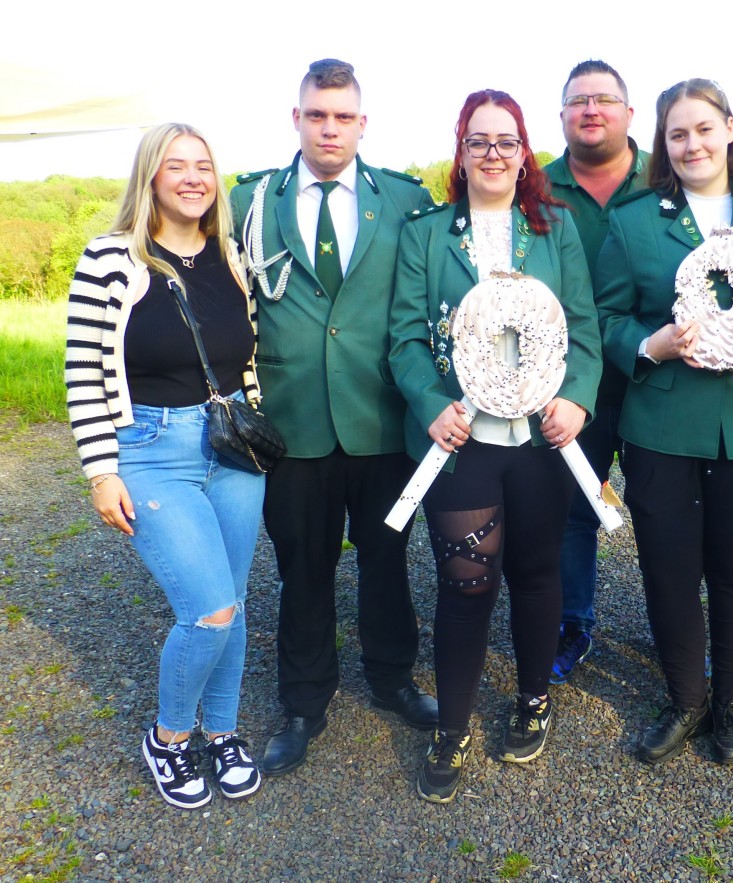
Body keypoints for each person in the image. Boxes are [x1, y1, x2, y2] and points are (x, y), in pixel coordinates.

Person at [390, 89, 601, 803]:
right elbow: (405, 339)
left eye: (506, 141)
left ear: (524, 151)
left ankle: (533, 699)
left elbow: (585, 328)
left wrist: (576, 398)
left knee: (538, 572)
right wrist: (428, 406)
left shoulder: (554, 230)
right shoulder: (426, 234)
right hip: (462, 443)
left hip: (541, 439)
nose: (492, 154)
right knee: (466, 583)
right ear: (460, 150)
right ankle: (452, 726)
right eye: (478, 141)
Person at [228, 59, 437, 778]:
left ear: (362, 123)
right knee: (303, 569)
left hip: (380, 421)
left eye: (343, 116)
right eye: (317, 114)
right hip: (294, 426)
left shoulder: (406, 201)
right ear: (296, 118)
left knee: (387, 561)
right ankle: (302, 702)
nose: (329, 127)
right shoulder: (252, 200)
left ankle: (392, 677)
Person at [595, 79, 733, 765]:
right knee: (670, 568)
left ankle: (731, 701)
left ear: (730, 129)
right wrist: (650, 346)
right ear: (662, 144)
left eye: (704, 129)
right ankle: (686, 698)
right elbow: (606, 317)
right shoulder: (635, 220)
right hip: (663, 422)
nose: (693, 144)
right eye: (677, 134)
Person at [66, 123, 264, 809]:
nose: (191, 177)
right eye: (175, 165)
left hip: (231, 448)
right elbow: (82, 373)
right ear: (150, 176)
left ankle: (223, 732)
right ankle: (170, 739)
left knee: (234, 605)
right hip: (150, 450)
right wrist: (101, 470)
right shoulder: (109, 259)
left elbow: (250, 353)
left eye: (203, 165)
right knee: (207, 609)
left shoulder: (230, 256)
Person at [544, 59, 649, 684]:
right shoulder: (534, 187)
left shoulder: (666, 179)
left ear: (629, 114)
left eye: (604, 99)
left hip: (656, 380)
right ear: (561, 115)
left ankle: (675, 629)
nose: (591, 110)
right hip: (565, 387)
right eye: (578, 100)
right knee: (571, 512)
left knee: (665, 513)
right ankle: (572, 622)